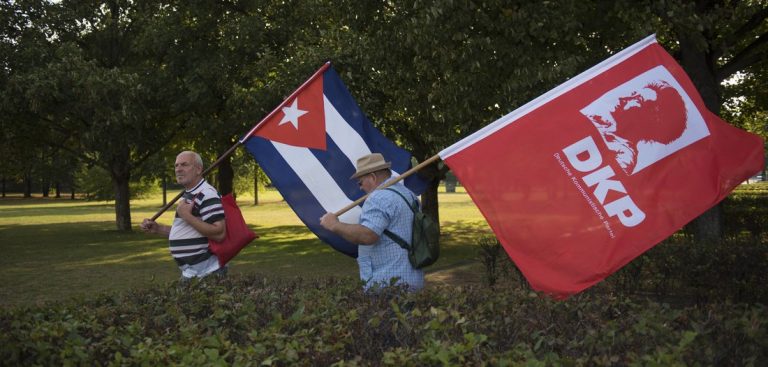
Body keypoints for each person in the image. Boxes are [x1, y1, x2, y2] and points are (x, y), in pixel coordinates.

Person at [320, 153, 424, 291]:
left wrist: (334, 225)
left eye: (360, 182)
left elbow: (368, 235)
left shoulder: (379, 197)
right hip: (412, 278)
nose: (360, 187)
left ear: (372, 177)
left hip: (388, 283)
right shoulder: (408, 194)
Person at [140, 151, 227, 281]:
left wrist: (187, 216)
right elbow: (189, 231)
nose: (179, 169)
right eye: (176, 165)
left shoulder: (207, 194)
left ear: (198, 169)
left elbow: (220, 234)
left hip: (208, 273)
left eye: (184, 165)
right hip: (192, 273)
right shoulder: (190, 194)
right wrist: (158, 229)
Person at [582, 79, 688, 175]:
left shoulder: (623, 156)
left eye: (641, 101)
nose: (627, 99)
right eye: (636, 95)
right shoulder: (601, 118)